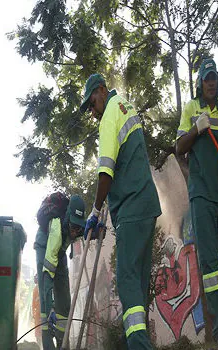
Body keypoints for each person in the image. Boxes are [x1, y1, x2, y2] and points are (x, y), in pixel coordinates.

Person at [80, 73, 162, 349]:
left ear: (102, 90)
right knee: (137, 281)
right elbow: (126, 163)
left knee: (126, 280)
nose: (92, 111)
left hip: (131, 206)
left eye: (91, 103)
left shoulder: (108, 119)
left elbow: (106, 171)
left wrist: (95, 209)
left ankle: (140, 346)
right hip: (146, 204)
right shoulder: (126, 106)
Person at [176, 58, 218, 348]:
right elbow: (178, 147)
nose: (211, 83)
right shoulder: (191, 109)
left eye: (214, 78)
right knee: (208, 260)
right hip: (202, 194)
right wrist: (197, 129)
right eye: (206, 78)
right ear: (200, 82)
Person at [34, 193, 86, 349]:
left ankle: (63, 344)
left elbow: (88, 230)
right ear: (67, 219)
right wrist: (50, 307)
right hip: (45, 247)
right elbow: (48, 272)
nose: (75, 231)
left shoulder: (78, 228)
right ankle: (49, 346)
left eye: (79, 227)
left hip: (60, 252)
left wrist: (96, 230)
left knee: (64, 304)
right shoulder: (57, 230)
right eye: (73, 226)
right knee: (45, 304)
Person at [31, 274, 41, 346]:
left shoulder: (36, 289)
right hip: (39, 313)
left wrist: (33, 313)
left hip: (38, 313)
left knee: (38, 330)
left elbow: (33, 304)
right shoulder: (38, 288)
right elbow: (34, 303)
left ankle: (39, 345)